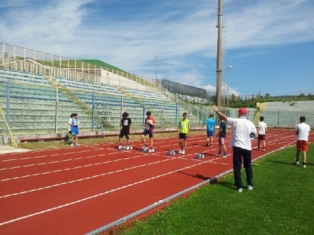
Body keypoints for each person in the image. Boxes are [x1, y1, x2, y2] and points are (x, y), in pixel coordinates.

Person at [213, 105, 257, 192]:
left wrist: (217, 111)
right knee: (248, 166)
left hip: (237, 146)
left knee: (237, 167)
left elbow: (225, 117)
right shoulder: (250, 123)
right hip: (247, 147)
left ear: (239, 113)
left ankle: (239, 186)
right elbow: (255, 134)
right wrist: (250, 138)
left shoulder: (235, 121)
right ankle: (249, 184)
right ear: (246, 113)